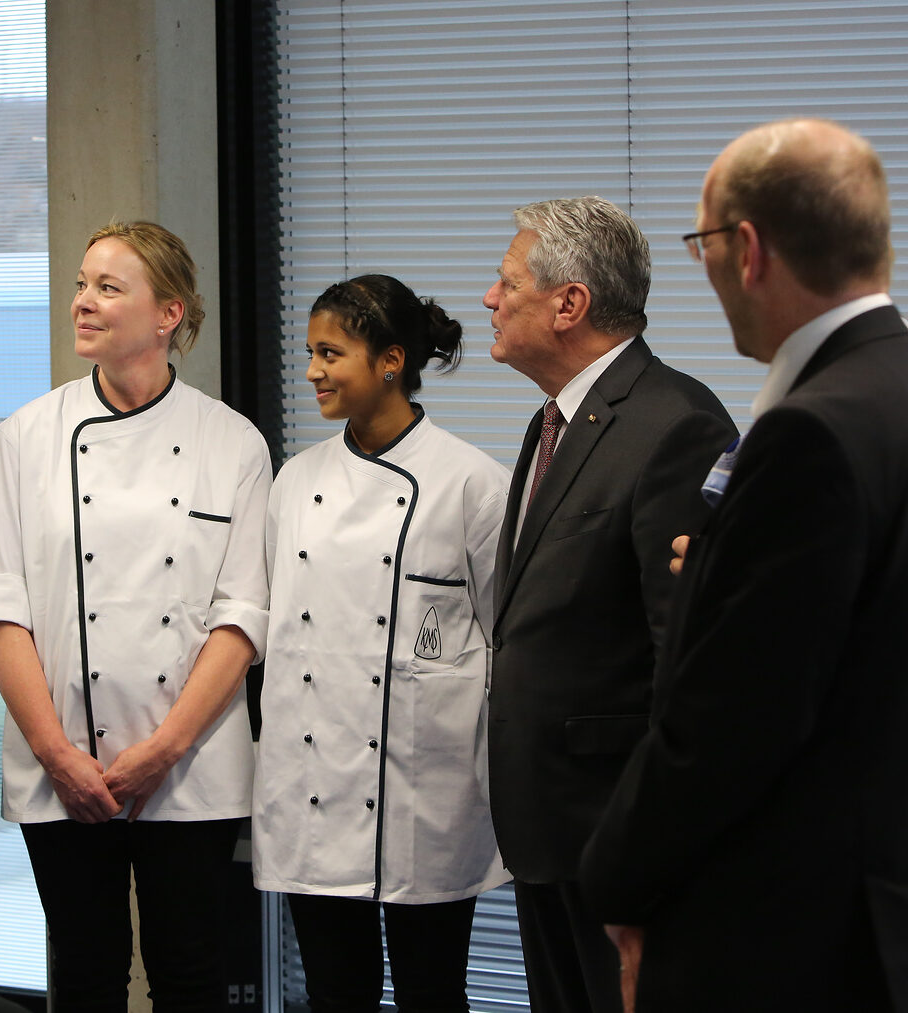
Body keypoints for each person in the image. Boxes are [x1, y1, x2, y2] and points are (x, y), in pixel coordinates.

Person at [579, 119, 908, 1011]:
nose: (709, 269)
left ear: (749, 248)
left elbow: (733, 719)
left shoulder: (806, 432)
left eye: (704, 244)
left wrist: (615, 882)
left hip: (790, 926)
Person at [0, 221, 271, 1010]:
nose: (83, 303)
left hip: (190, 767)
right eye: (80, 284)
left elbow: (242, 618)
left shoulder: (230, 442)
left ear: (169, 314)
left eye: (108, 287)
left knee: (189, 975)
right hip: (60, 765)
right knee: (86, 975)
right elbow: (0, 606)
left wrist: (164, 748)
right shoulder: (26, 436)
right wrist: (55, 752)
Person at [481, 196, 736, 1013]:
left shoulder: (676, 422)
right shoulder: (551, 421)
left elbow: (686, 657)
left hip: (616, 835)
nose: (490, 298)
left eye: (507, 280)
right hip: (544, 826)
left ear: (570, 303)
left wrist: (656, 849)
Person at [252, 275, 510, 1012]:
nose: (312, 371)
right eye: (309, 352)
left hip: (424, 791)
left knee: (434, 993)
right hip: (311, 790)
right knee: (336, 995)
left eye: (331, 352)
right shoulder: (295, 483)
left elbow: (504, 642)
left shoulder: (473, 484)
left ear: (391, 359)